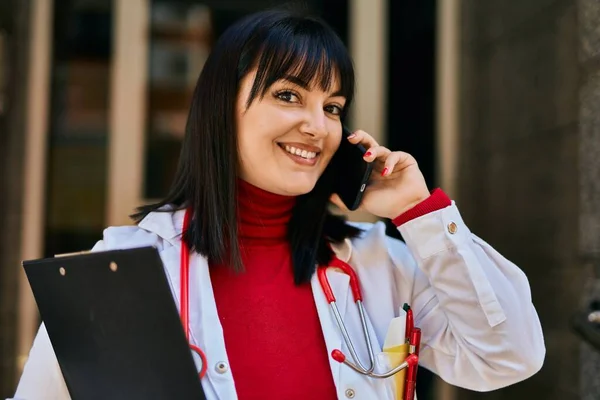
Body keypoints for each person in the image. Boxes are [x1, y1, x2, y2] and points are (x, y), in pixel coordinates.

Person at [12, 8, 545, 400]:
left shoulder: (377, 263)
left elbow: (507, 357)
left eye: (332, 106)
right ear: (223, 108)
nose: (317, 126)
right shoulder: (121, 268)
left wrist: (419, 214)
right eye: (288, 95)